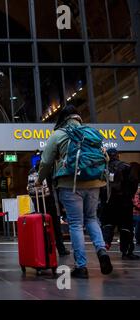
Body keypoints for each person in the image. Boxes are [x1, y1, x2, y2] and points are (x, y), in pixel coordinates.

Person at [37, 105, 112, 279]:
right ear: (78, 117)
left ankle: (81, 266)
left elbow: (46, 161)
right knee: (92, 218)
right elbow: (106, 157)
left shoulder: (58, 134)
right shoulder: (90, 132)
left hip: (70, 184)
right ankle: (102, 251)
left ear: (62, 119)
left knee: (76, 224)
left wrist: (40, 180)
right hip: (94, 183)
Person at [100, 149, 139, 260]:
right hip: (124, 203)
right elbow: (134, 181)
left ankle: (105, 245)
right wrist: (129, 195)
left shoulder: (103, 168)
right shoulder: (126, 167)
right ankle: (126, 252)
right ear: (118, 155)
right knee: (126, 228)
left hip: (107, 202)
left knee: (108, 224)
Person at [27, 161, 70, 257]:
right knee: (56, 226)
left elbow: (31, 190)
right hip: (51, 203)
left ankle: (44, 248)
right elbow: (56, 188)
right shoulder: (50, 171)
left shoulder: (32, 172)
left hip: (39, 204)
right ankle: (61, 249)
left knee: (42, 227)